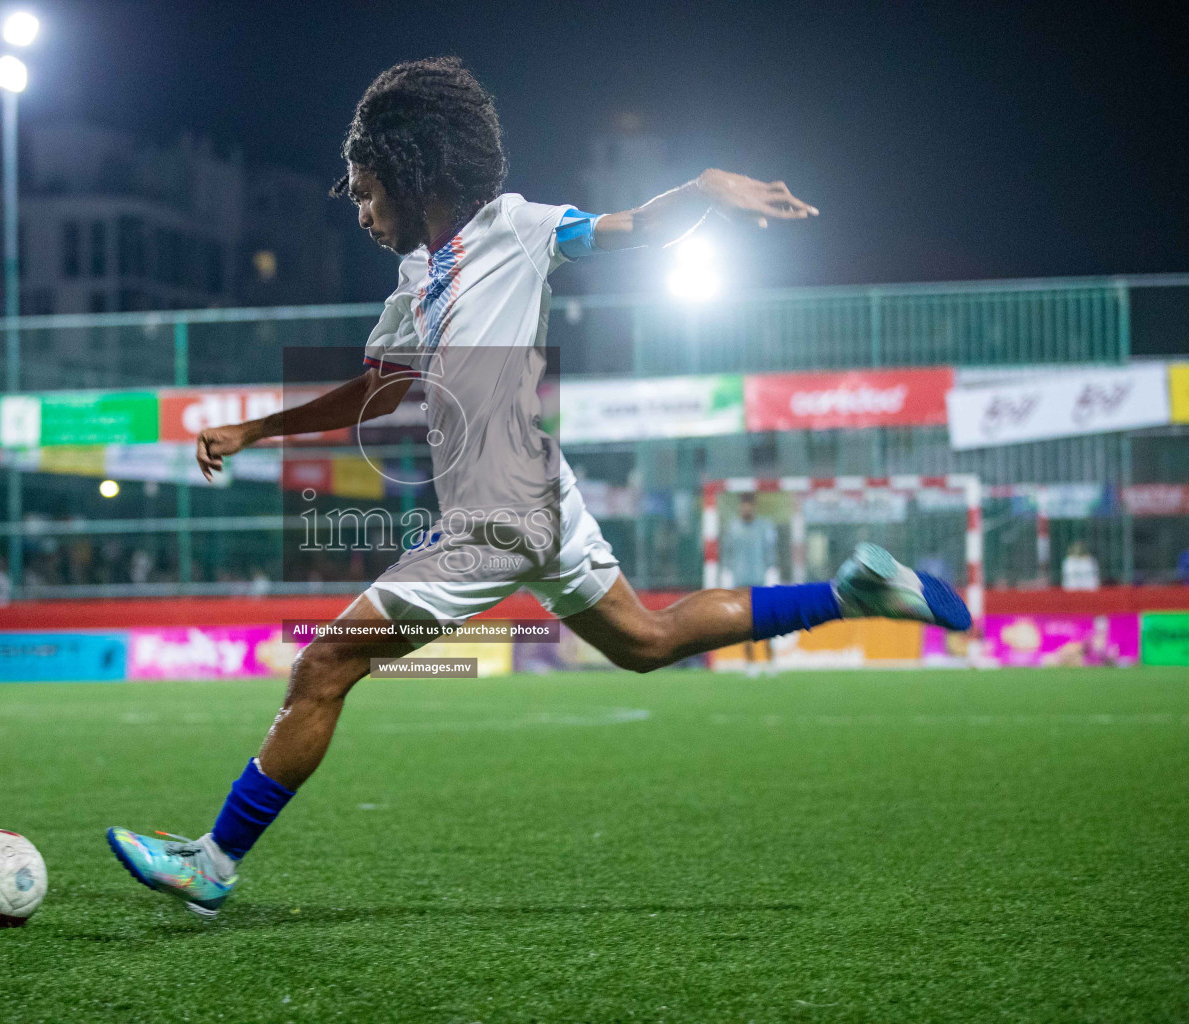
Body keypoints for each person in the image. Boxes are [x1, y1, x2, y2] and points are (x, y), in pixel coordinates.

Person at [106, 58, 971, 919]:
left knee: (323, 663)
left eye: (369, 193)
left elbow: (624, 228)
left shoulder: (517, 226)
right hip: (538, 493)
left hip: (501, 511)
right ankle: (852, 590)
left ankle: (214, 861)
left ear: (414, 175)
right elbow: (377, 389)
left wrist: (703, 188)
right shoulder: (415, 280)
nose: (363, 213)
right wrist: (256, 430)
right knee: (646, 639)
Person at [722, 494, 780, 676]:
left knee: (767, 622)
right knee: (745, 625)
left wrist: (772, 573)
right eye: (743, 506)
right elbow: (727, 554)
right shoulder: (733, 528)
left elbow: (771, 551)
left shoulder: (765, 526)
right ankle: (750, 663)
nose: (745, 509)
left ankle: (771, 661)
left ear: (753, 507)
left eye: (749, 506)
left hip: (761, 580)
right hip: (740, 582)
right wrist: (727, 575)